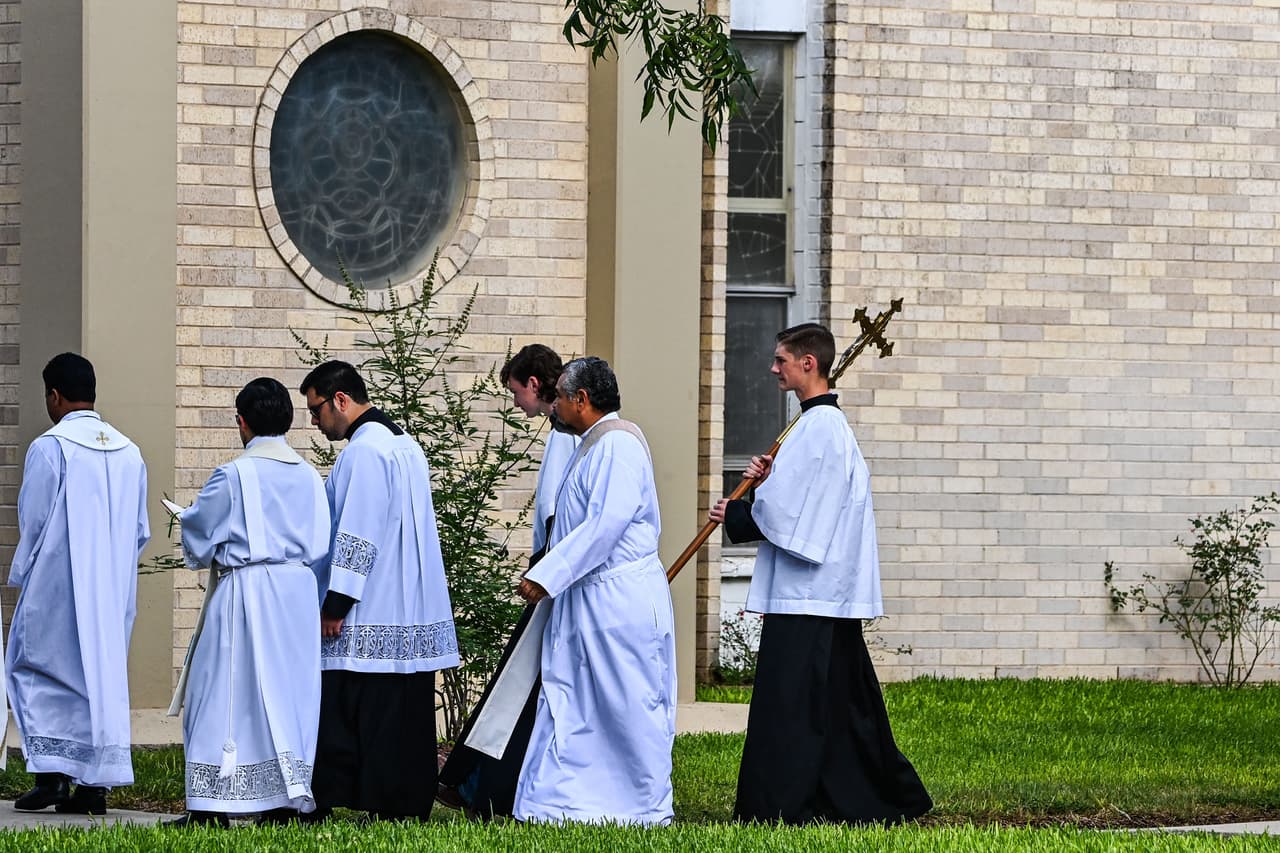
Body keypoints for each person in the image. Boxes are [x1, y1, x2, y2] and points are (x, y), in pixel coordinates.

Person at [709, 322, 932, 825]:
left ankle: (782, 806)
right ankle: (871, 798)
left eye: (781, 359)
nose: (773, 368)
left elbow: (797, 516)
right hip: (819, 596)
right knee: (840, 703)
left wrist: (740, 513)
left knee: (793, 707)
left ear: (808, 363)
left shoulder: (820, 429)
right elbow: (801, 496)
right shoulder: (816, 428)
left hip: (810, 595)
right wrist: (769, 478)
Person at [513, 356, 676, 826]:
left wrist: (547, 574)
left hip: (617, 599)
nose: (554, 407)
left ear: (581, 400)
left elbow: (605, 525)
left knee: (624, 703)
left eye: (560, 397)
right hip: (590, 599)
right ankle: (564, 802)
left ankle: (635, 806)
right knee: (575, 700)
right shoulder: (592, 445)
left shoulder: (618, 447)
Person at [166, 378, 330, 827]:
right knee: (290, 693)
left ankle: (214, 804)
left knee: (221, 690)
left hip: (247, 590)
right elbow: (321, 542)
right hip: (297, 595)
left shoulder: (234, 474)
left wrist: (189, 523)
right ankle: (282, 800)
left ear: (242, 422)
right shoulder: (310, 476)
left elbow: (201, 531)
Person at [300, 360, 459, 821]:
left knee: (351, 708)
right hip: (406, 604)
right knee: (402, 713)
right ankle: (403, 802)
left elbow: (358, 533)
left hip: (370, 606)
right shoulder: (404, 445)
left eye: (317, 411)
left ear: (341, 400)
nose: (315, 421)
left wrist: (337, 601)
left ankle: (338, 796)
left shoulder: (365, 452)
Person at [437, 344, 581, 819]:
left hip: (555, 576)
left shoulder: (567, 434)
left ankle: (480, 784)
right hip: (556, 571)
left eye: (517, 392)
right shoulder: (569, 431)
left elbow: (563, 512)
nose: (517, 403)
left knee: (520, 686)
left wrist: (542, 573)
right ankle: (472, 780)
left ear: (535, 386)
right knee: (517, 684)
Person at [6, 353, 149, 815]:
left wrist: (23, 573)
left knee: (40, 675)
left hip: (58, 584)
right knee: (99, 683)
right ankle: (93, 787)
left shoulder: (50, 447)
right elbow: (141, 528)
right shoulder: (130, 452)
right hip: (110, 589)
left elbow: (34, 518)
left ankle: (51, 779)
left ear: (54, 395)